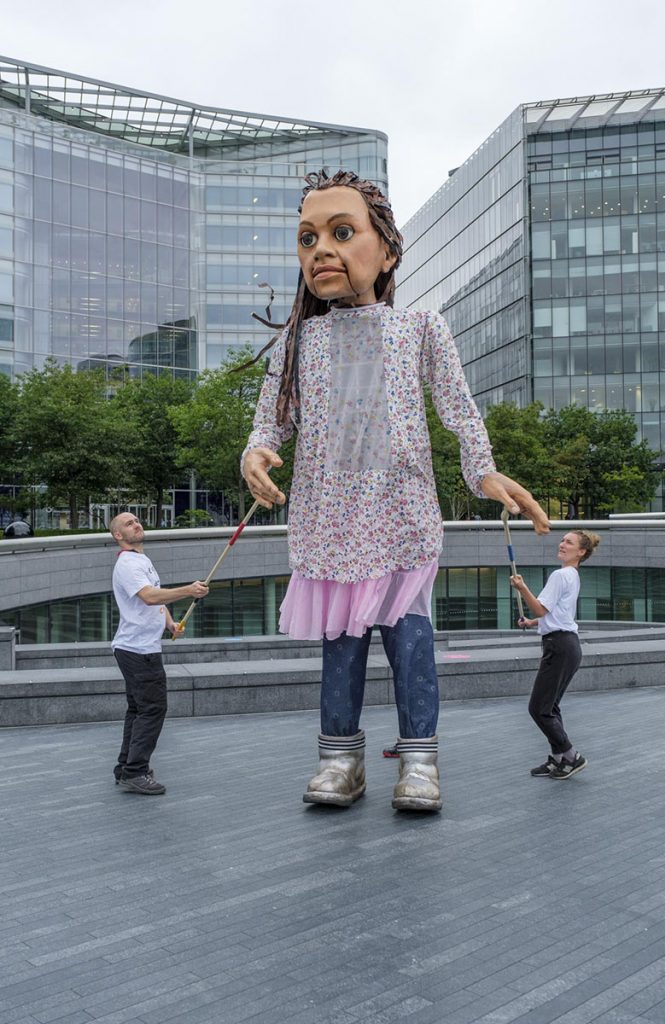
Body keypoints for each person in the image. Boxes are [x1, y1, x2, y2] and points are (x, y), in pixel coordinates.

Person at [241, 169, 550, 813]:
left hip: (402, 518)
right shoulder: (299, 342)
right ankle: (340, 761)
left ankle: (420, 763)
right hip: (329, 525)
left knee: (412, 646)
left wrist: (482, 470)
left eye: (341, 232)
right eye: (307, 238)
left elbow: (460, 412)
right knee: (341, 650)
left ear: (386, 249)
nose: (320, 249)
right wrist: (256, 451)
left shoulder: (420, 328)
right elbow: (271, 419)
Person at [109, 512, 209, 795]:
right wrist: (189, 590)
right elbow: (149, 596)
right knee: (153, 709)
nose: (137, 524)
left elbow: (156, 600)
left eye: (137, 520)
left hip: (139, 648)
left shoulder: (142, 560)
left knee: (139, 710)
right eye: (129, 523)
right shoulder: (127, 564)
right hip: (137, 651)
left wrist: (170, 624)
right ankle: (136, 771)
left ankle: (125, 767)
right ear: (118, 535)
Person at [510, 529, 601, 780]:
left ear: (581, 552)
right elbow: (556, 614)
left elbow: (540, 608)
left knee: (538, 708)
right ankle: (558, 759)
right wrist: (532, 623)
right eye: (562, 540)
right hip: (565, 645)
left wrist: (522, 587)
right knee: (550, 706)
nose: (562, 544)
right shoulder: (572, 575)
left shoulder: (561, 575)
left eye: (569, 542)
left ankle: (571, 756)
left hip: (560, 647)